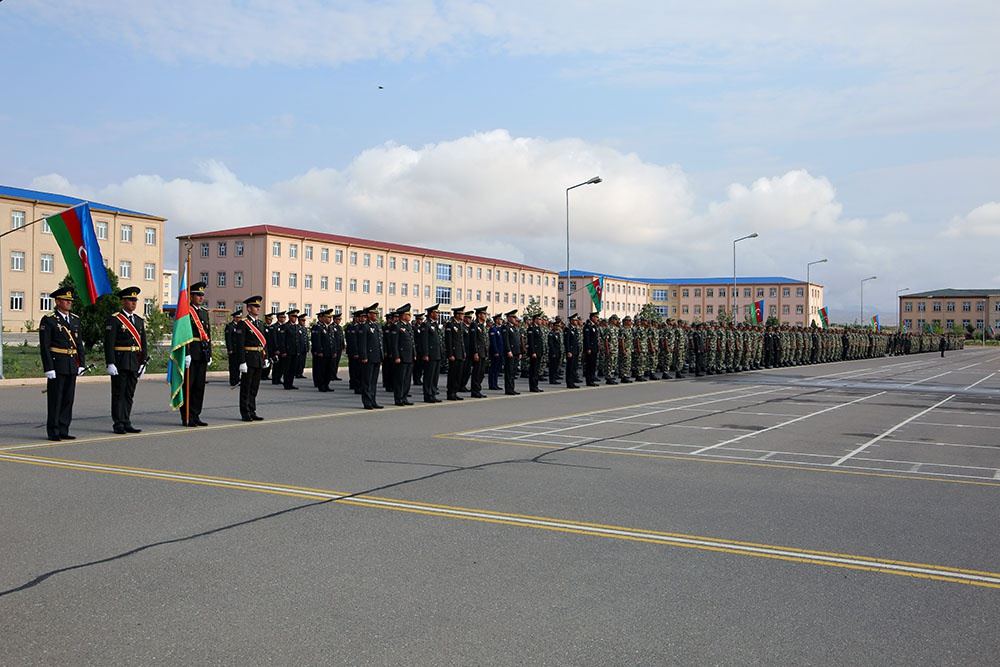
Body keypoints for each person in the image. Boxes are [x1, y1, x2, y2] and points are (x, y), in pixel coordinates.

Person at [39, 286, 85, 441]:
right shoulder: (49, 320)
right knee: (55, 399)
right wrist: (48, 368)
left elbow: (79, 344)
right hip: (57, 364)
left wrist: (82, 363)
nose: (69, 303)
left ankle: (64, 428)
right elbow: (45, 346)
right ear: (58, 302)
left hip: (72, 364)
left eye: (70, 300)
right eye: (66, 300)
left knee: (68, 399)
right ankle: (53, 430)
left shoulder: (75, 319)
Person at [105, 286, 148, 434]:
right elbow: (109, 343)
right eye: (130, 300)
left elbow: (143, 343)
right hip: (120, 361)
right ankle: (118, 423)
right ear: (123, 301)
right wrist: (110, 362)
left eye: (135, 300)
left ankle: (126, 420)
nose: (133, 303)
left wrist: (143, 362)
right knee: (119, 393)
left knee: (129, 393)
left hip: (134, 361)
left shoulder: (139, 320)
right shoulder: (115, 319)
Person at [181, 281, 212, 426]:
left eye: (202, 295)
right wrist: (186, 353)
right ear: (191, 296)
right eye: (197, 295)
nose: (200, 297)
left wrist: (210, 353)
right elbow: (183, 334)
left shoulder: (204, 312)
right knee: (189, 386)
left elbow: (208, 334)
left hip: (202, 353)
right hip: (191, 352)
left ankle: (196, 414)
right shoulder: (185, 312)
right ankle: (186, 416)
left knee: (200, 386)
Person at [235, 295, 268, 421]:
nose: (258, 308)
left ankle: (252, 410)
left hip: (258, 358)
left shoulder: (260, 323)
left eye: (258, 306)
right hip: (248, 359)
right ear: (248, 309)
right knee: (246, 387)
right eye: (255, 306)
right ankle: (245, 412)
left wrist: (265, 357)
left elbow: (264, 343)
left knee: (254, 387)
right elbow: (240, 344)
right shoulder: (243, 324)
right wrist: (242, 362)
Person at [359, 303, 384, 409]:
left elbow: (379, 342)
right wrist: (364, 356)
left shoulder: (377, 326)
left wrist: (381, 356)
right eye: (374, 314)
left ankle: (373, 400)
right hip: (368, 357)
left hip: (376, 357)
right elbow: (362, 343)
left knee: (373, 381)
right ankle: (367, 402)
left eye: (376, 314)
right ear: (369, 315)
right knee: (367, 381)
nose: (376, 315)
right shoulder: (364, 326)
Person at [389, 303, 415, 406]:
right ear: (403, 315)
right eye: (408, 314)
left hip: (409, 356)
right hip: (401, 357)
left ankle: (404, 397)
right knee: (400, 379)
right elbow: (394, 343)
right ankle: (398, 398)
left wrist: (414, 354)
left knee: (407, 379)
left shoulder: (408, 326)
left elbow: (412, 342)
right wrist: (397, 356)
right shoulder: (396, 326)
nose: (410, 316)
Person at [419, 304, 443, 403]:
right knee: (429, 375)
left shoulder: (434, 325)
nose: (438, 314)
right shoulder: (426, 324)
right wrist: (425, 354)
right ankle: (427, 395)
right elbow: (424, 341)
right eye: (436, 312)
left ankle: (433, 393)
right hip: (430, 354)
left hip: (436, 354)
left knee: (435, 376)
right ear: (431, 313)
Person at [444, 306, 467, 401]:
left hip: (460, 353)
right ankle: (450, 393)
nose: (463, 316)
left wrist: (463, 351)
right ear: (457, 314)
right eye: (462, 314)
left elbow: (461, 340)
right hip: (454, 353)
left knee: (458, 374)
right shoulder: (450, 325)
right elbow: (448, 341)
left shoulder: (460, 325)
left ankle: (455, 391)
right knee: (453, 374)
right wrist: (450, 354)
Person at [468, 306, 489, 398]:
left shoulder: (481, 326)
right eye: (484, 314)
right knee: (476, 372)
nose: (485, 316)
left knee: (481, 372)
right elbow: (473, 340)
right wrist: (475, 352)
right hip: (478, 352)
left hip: (483, 352)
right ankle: (475, 391)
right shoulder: (474, 325)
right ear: (479, 315)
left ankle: (478, 389)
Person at [311, 309, 333, 391]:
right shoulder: (318, 327)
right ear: (323, 318)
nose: (329, 319)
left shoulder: (329, 327)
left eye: (330, 318)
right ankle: (321, 385)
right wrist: (319, 351)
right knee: (321, 370)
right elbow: (317, 341)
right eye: (328, 317)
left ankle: (326, 384)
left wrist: (333, 351)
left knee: (328, 370)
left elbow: (332, 340)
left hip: (329, 352)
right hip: (322, 353)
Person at [501, 310, 521, 395]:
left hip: (515, 352)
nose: (515, 319)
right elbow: (506, 341)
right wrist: (508, 350)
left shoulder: (514, 328)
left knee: (513, 371)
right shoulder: (506, 327)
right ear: (508, 318)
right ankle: (508, 389)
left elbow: (517, 341)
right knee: (509, 371)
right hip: (510, 353)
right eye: (513, 317)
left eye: (515, 317)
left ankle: (512, 388)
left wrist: (519, 352)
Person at [225, 309, 243, 386]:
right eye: (238, 318)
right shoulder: (230, 326)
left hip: (239, 350)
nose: (239, 319)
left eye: (240, 318)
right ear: (235, 318)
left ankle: (237, 379)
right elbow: (228, 339)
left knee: (238, 365)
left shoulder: (240, 326)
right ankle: (233, 380)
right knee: (233, 366)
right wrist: (230, 349)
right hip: (233, 349)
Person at [564, 313, 582, 388]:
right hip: (571, 352)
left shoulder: (574, 329)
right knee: (570, 367)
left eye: (577, 320)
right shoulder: (568, 329)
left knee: (574, 367)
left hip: (575, 351)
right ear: (571, 321)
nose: (576, 321)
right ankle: (569, 382)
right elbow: (567, 341)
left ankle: (572, 382)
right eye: (575, 320)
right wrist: (568, 351)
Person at [270, 311, 288, 385]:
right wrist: (276, 349)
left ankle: (279, 378)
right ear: (278, 318)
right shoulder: (274, 327)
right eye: (282, 317)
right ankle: (275, 379)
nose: (283, 319)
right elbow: (274, 339)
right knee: (276, 365)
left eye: (284, 317)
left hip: (283, 350)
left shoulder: (285, 327)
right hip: (277, 350)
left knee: (282, 366)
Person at [488, 313, 504, 390]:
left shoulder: (500, 329)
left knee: (497, 369)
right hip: (495, 352)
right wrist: (495, 351)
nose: (501, 321)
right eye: (500, 319)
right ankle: (492, 384)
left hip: (500, 351)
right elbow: (493, 342)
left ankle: (495, 383)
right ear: (496, 320)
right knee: (493, 368)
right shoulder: (493, 329)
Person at [330, 311, 345, 381]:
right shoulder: (331, 327)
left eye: (340, 319)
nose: (339, 321)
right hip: (334, 348)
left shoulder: (339, 327)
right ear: (334, 319)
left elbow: (341, 337)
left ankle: (334, 374)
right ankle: (331, 375)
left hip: (339, 348)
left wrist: (343, 345)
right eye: (338, 319)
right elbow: (332, 339)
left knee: (337, 362)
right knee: (333, 362)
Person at [295, 313, 310, 378]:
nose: (304, 322)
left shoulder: (305, 329)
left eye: (304, 320)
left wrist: (307, 347)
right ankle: (297, 373)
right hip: (299, 348)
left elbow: (306, 339)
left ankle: (300, 373)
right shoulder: (296, 328)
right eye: (302, 320)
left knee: (302, 362)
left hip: (304, 348)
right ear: (299, 320)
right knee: (298, 361)